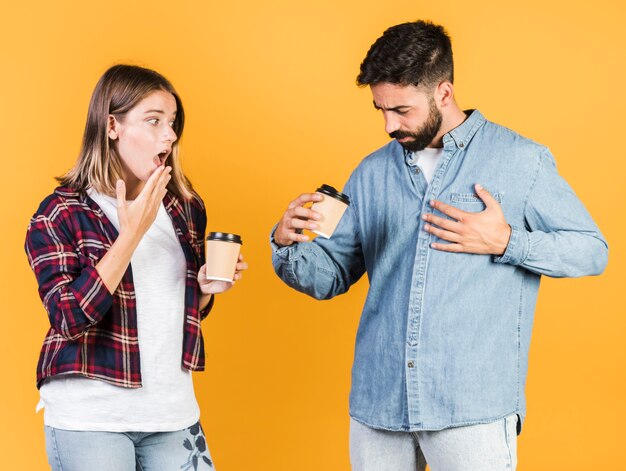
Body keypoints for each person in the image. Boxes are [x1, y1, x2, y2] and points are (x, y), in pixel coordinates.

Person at [270, 21, 607, 471]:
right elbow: (330, 276)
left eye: (402, 111)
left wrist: (505, 241)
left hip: (470, 409)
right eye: (381, 110)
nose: (389, 124)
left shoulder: (519, 159)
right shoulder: (371, 173)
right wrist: (286, 243)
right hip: (380, 406)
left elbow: (591, 250)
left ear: (444, 93)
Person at [25, 64, 247, 471]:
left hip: (172, 413)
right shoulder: (60, 212)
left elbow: (175, 312)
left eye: (173, 122)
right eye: (154, 120)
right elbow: (69, 318)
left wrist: (203, 288)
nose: (170, 135)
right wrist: (130, 234)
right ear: (112, 126)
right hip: (91, 419)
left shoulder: (185, 206)